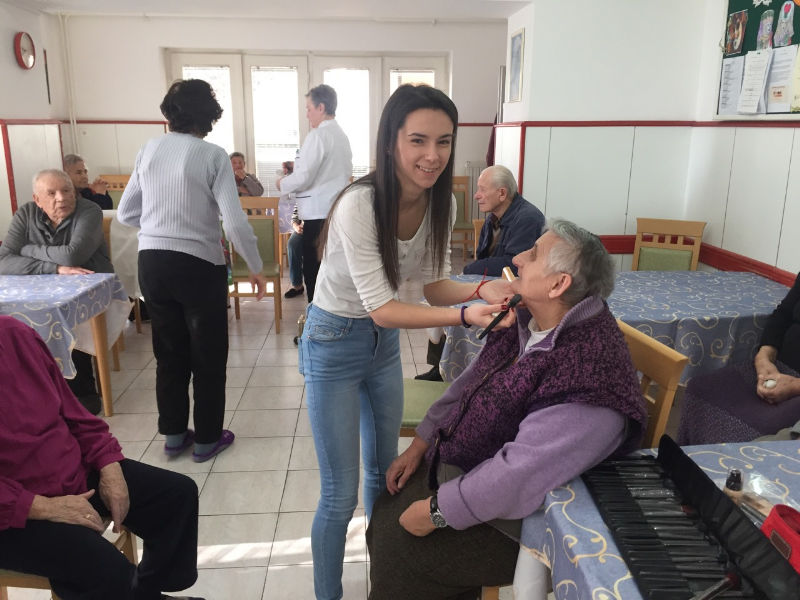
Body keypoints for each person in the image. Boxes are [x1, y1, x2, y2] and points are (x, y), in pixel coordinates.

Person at [298, 84, 515, 600]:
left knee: (385, 476)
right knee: (339, 495)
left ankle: (385, 585)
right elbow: (383, 306)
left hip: (382, 344)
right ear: (391, 141)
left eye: (444, 141)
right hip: (333, 339)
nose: (432, 155)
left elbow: (434, 286)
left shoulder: (443, 202)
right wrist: (465, 314)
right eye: (418, 140)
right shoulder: (360, 204)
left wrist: (483, 288)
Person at [366, 221, 648, 599]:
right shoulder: (532, 319)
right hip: (474, 468)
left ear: (558, 284)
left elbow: (521, 473)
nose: (517, 259)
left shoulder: (590, 373)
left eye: (533, 254)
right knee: (386, 508)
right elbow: (469, 383)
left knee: (400, 547)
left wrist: (436, 512)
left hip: (531, 521)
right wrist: (420, 443)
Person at [0, 316, 204, 600]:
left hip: (69, 476)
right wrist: (44, 507)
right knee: (99, 564)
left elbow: (73, 412)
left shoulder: (14, 333)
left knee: (177, 496)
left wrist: (109, 466)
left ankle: (146, 592)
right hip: (13, 512)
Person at [118, 79, 267, 463]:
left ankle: (173, 436)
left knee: (169, 353)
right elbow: (234, 223)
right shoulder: (212, 156)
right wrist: (256, 266)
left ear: (170, 113)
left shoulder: (149, 149)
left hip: (152, 262)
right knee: (207, 355)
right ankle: (206, 440)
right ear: (209, 116)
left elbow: (126, 213)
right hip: (198, 266)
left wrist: (160, 224)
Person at [416, 164, 545, 381]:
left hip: (511, 289)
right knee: (446, 298)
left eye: (482, 190)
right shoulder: (493, 217)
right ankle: (439, 366)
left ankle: (466, 371)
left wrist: (470, 270)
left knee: (460, 307)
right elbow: (484, 258)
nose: (476, 195)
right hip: (492, 282)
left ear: (502, 193)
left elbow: (512, 265)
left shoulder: (528, 218)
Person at [0, 168, 112, 415]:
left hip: (88, 288)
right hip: (38, 288)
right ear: (37, 199)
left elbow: (73, 255)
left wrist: (28, 250)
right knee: (15, 323)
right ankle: (33, 392)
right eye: (51, 193)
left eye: (66, 191)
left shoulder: (89, 210)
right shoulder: (26, 213)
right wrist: (55, 268)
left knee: (63, 316)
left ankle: (81, 392)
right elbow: (4, 261)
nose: (61, 198)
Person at [678, 271, 800, 445]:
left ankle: (728, 461)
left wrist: (794, 386)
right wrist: (764, 356)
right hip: (777, 369)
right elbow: (783, 314)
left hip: (795, 386)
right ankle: (692, 459)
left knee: (757, 425)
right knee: (700, 388)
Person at [276, 84, 352, 303]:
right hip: (335, 212)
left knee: (314, 271)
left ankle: (316, 318)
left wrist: (282, 183)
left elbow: (304, 177)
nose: (307, 114)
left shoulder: (318, 135)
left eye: (309, 108)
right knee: (329, 270)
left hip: (318, 214)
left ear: (321, 107)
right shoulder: (340, 135)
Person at [281, 160, 305, 299]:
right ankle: (297, 285)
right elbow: (295, 214)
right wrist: (296, 226)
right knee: (292, 244)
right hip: (303, 227)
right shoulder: (302, 189)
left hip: (323, 228)